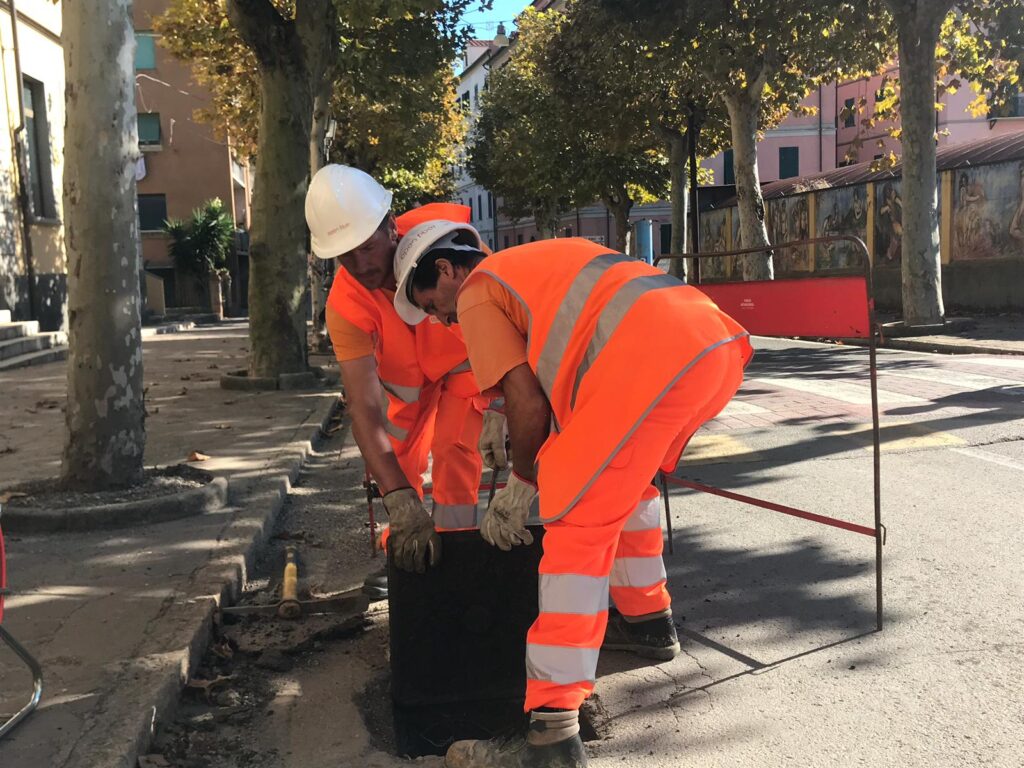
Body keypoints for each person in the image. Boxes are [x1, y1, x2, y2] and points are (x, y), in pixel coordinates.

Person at [392, 221, 752, 768]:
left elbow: (530, 403)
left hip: (648, 361)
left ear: (445, 270)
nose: (443, 321)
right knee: (624, 485)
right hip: (711, 347)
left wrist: (520, 486)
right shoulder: (527, 265)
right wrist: (498, 413)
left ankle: (551, 734)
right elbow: (551, 364)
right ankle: (648, 621)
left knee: (575, 523)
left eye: (432, 307)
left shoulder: (476, 290)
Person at [304, 166, 507, 592]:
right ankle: (405, 551)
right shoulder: (345, 305)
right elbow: (363, 406)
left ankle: (454, 550)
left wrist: (502, 404)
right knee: (395, 456)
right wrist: (398, 499)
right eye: (346, 255)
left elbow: (505, 327)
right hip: (407, 389)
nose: (361, 265)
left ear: (390, 226)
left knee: (454, 448)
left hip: (463, 368)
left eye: (367, 246)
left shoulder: (453, 246)